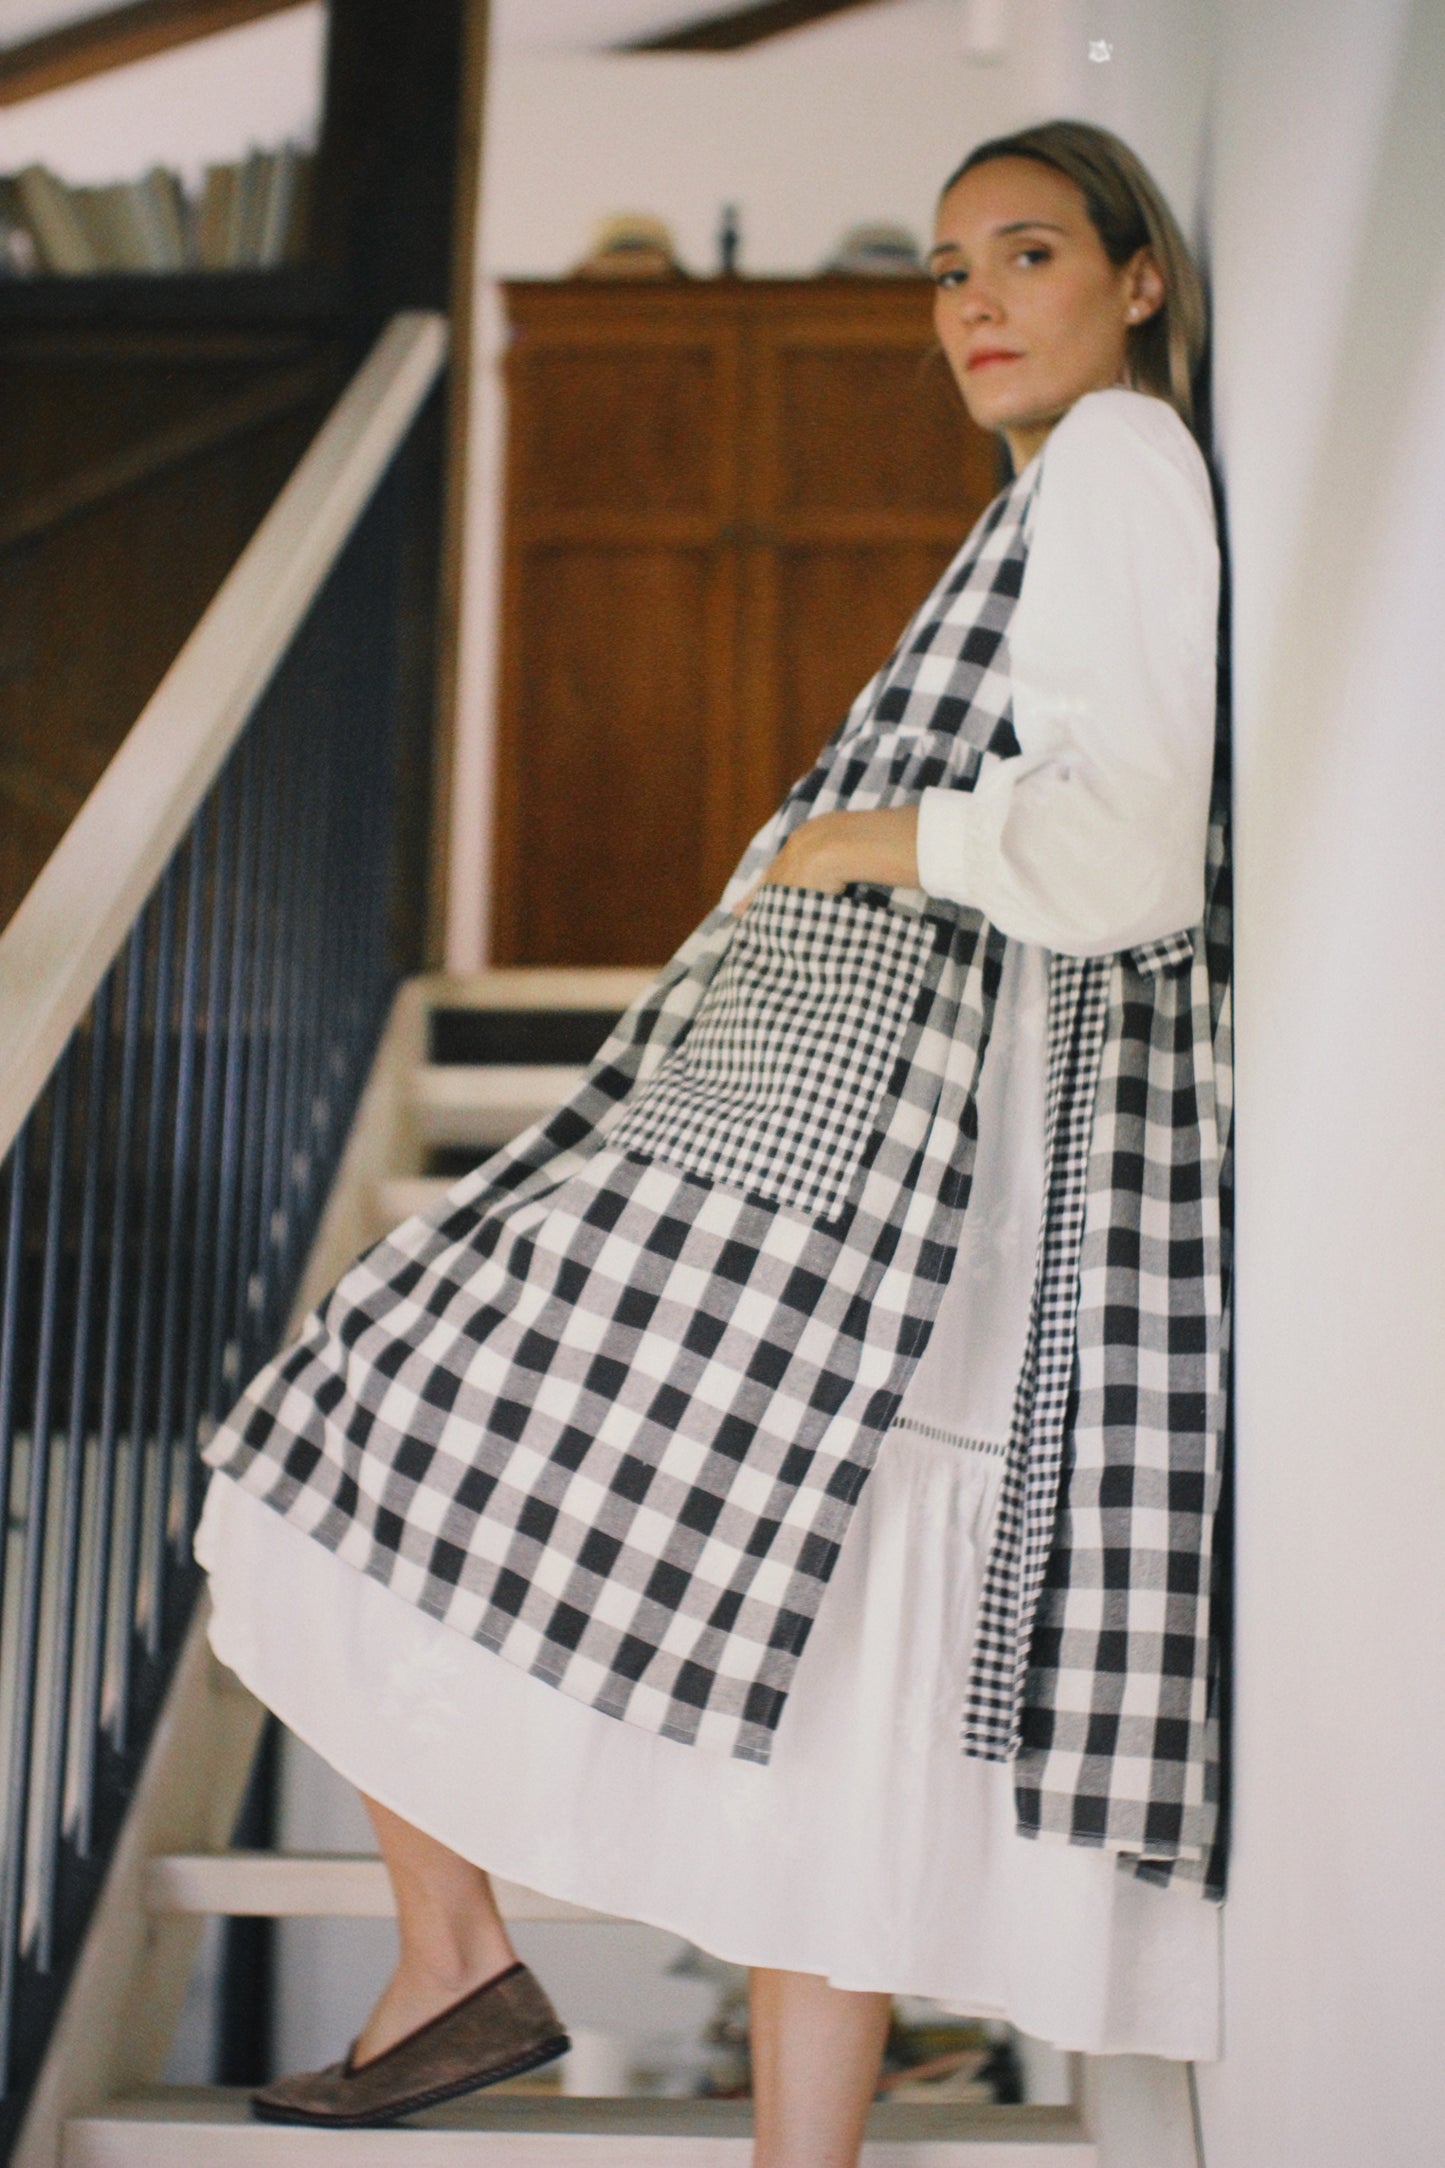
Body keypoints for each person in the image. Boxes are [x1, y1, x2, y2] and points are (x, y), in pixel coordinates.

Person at [195, 118, 1230, 2167]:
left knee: (342, 1414)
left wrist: (854, 837)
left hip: (899, 1190)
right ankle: (754, 2130)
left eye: (1027, 255)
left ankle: (451, 1951)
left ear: (1138, 280)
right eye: (947, 272)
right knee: (831, 1726)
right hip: (941, 1200)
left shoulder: (1116, 466)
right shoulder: (1057, 499)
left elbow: (1125, 854)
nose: (975, 306)